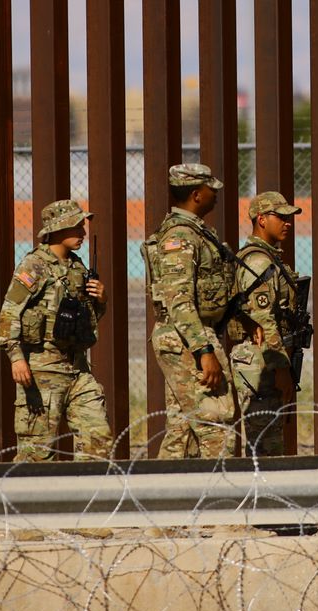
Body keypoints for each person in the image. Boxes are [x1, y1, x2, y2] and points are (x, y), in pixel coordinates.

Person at [0, 199, 111, 461]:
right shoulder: (34, 266)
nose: (83, 233)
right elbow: (8, 314)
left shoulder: (77, 267)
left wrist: (101, 299)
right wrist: (17, 359)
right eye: (77, 227)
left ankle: (92, 499)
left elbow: (88, 318)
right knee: (36, 454)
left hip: (78, 369)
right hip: (42, 370)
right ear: (59, 229)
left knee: (98, 438)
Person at [143, 163, 237, 458]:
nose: (216, 194)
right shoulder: (181, 237)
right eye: (211, 189)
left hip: (187, 334)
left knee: (182, 432)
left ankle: (165, 497)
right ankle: (222, 495)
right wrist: (203, 350)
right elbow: (179, 300)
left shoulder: (196, 233)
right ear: (197, 194)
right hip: (187, 336)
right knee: (216, 425)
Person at [229, 191, 303, 457]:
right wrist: (281, 368)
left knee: (270, 442)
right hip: (261, 360)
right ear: (261, 219)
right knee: (265, 447)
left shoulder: (269, 258)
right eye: (281, 216)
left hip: (266, 358)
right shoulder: (259, 261)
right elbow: (263, 320)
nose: (287, 222)